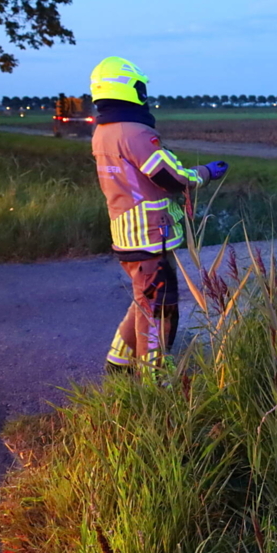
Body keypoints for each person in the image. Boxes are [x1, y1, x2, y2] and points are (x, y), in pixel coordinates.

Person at [90, 56, 228, 375]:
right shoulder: (135, 133)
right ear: (129, 88)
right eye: (140, 87)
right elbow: (169, 176)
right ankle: (154, 380)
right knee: (159, 309)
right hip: (150, 237)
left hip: (127, 233)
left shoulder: (103, 132)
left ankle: (119, 362)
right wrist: (206, 173)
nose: (144, 93)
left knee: (144, 298)